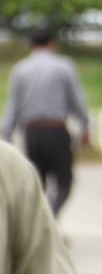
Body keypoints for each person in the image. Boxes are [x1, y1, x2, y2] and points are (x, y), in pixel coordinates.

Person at [1, 29, 91, 217]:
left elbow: (13, 107)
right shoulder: (63, 67)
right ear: (52, 43)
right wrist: (85, 126)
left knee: (37, 183)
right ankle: (50, 217)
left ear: (30, 46)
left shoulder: (20, 69)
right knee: (65, 181)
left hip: (32, 133)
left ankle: (42, 222)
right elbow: (76, 101)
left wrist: (5, 139)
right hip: (56, 130)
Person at [0, 139, 77, 274]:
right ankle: (51, 214)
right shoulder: (9, 166)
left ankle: (49, 214)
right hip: (55, 135)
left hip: (34, 135)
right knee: (63, 184)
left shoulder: (10, 166)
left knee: (39, 182)